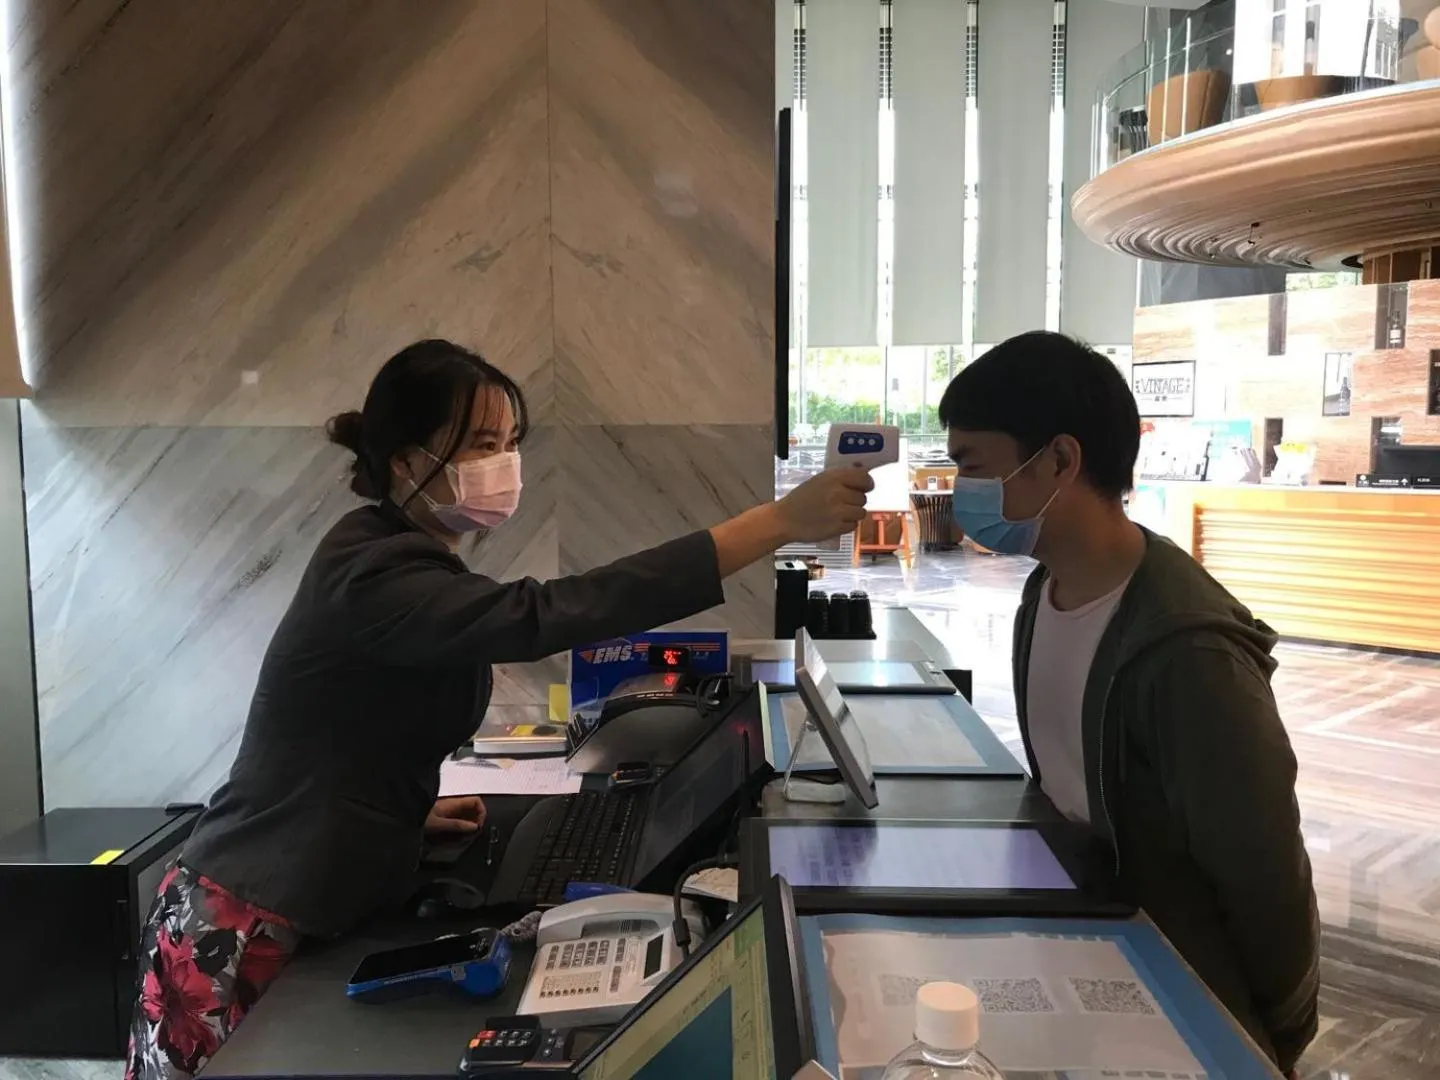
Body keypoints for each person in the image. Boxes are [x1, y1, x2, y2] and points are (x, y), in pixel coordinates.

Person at [126, 339, 873, 1080]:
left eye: (511, 442)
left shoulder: (408, 552)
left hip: (320, 880)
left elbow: (348, 731)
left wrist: (397, 813)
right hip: (249, 917)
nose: (504, 462)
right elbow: (545, 614)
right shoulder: (372, 569)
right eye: (482, 443)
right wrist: (772, 524)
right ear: (406, 462)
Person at [938, 331, 1319, 1076]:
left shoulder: (1186, 652)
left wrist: (1269, 1040)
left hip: (1179, 1004)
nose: (961, 493)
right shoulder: (1041, 594)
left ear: (1059, 460)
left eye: (972, 467)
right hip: (1093, 961)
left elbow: (1264, 875)